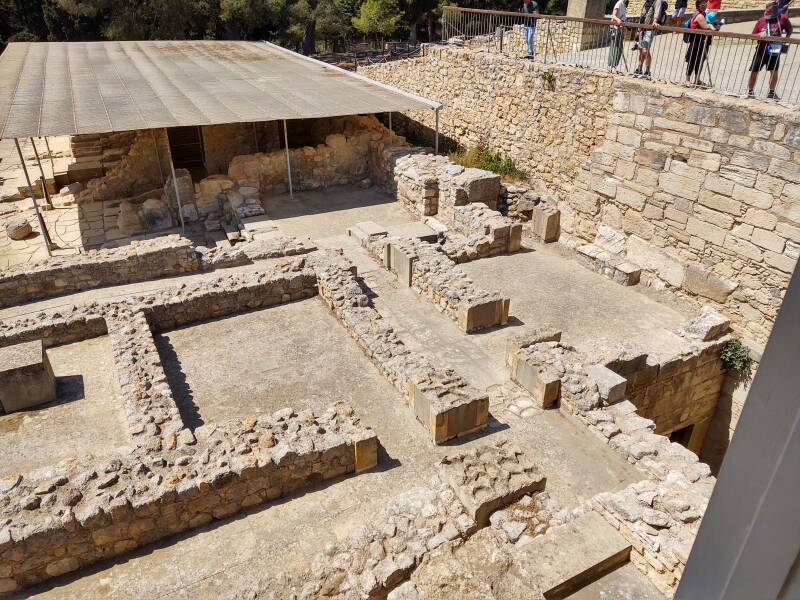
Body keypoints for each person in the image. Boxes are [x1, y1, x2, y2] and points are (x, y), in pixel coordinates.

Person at [747, 2, 793, 99]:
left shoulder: (783, 18)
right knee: (754, 70)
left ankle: (771, 92)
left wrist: (785, 41)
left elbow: (790, 29)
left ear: (775, 11)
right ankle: (750, 92)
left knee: (774, 71)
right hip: (761, 50)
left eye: (768, 11)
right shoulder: (761, 20)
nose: (765, 12)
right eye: (766, 10)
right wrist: (759, 34)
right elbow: (752, 36)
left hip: (775, 48)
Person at [685, 0, 714, 86]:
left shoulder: (702, 14)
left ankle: (697, 79)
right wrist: (712, 27)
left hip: (701, 42)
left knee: (699, 61)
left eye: (705, 4)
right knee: (692, 61)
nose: (705, 5)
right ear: (698, 5)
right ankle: (687, 80)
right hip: (696, 42)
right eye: (702, 4)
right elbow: (706, 27)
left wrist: (712, 26)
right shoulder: (700, 16)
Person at [635, 0, 659, 77]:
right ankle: (639, 68)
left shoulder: (657, 1)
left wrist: (655, 21)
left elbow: (657, 13)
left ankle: (647, 70)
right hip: (642, 29)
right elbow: (642, 16)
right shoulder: (646, 2)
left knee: (645, 50)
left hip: (649, 29)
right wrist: (638, 29)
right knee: (641, 50)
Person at [608, 0, 628, 70]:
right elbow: (613, 15)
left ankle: (614, 65)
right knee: (615, 47)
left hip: (620, 28)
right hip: (615, 28)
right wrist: (618, 20)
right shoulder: (619, 3)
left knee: (619, 47)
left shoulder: (624, 4)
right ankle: (612, 66)